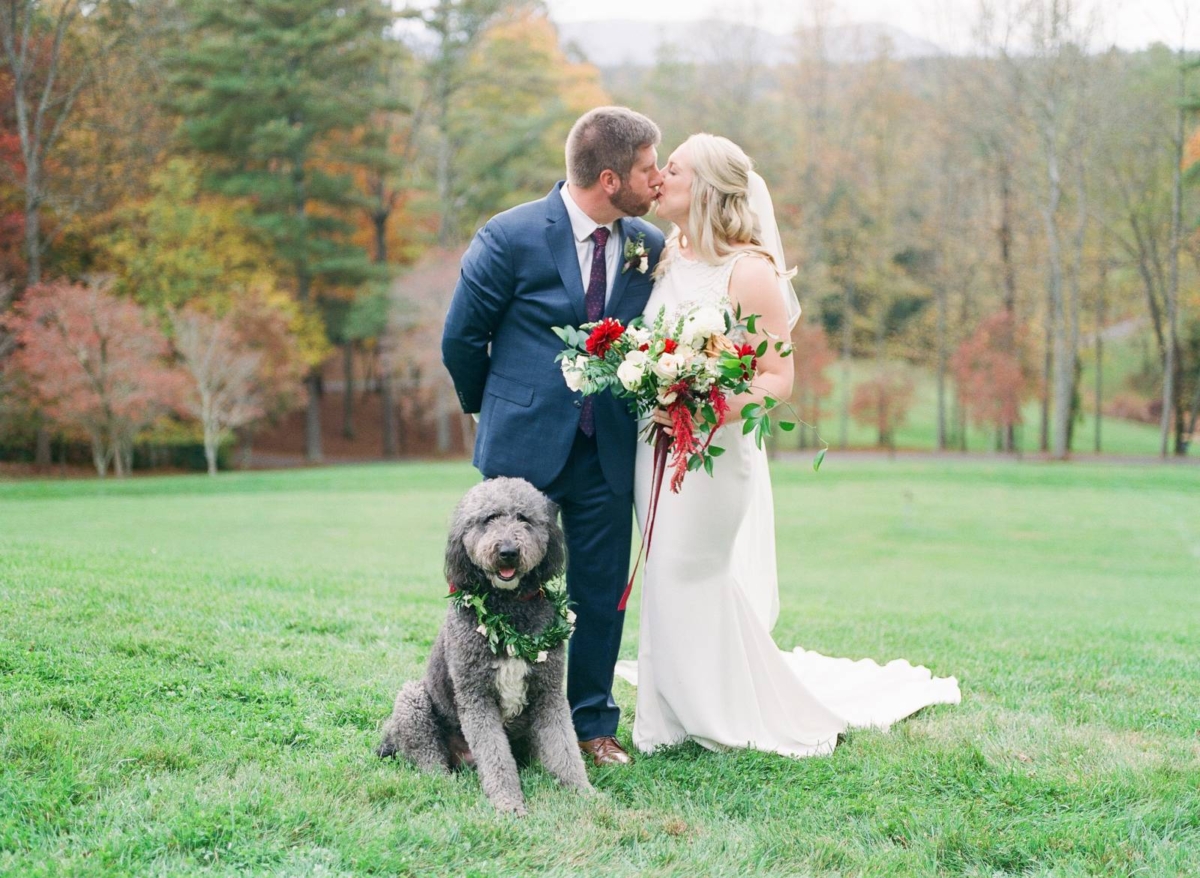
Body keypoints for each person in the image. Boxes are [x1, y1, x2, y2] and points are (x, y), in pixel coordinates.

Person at [614, 134, 960, 757]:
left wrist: (705, 405)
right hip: (657, 446)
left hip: (713, 453)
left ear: (711, 189)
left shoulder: (749, 271)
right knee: (663, 574)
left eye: (675, 168)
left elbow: (777, 379)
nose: (660, 178)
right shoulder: (667, 255)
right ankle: (669, 712)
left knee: (690, 569)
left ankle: (720, 714)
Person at [442, 107, 666, 766]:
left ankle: (590, 724)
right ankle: (488, 718)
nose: (657, 179)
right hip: (520, 454)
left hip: (607, 452)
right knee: (499, 588)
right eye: (647, 168)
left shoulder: (648, 244)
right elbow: (461, 337)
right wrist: (489, 407)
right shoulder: (509, 236)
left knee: (599, 591)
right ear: (608, 178)